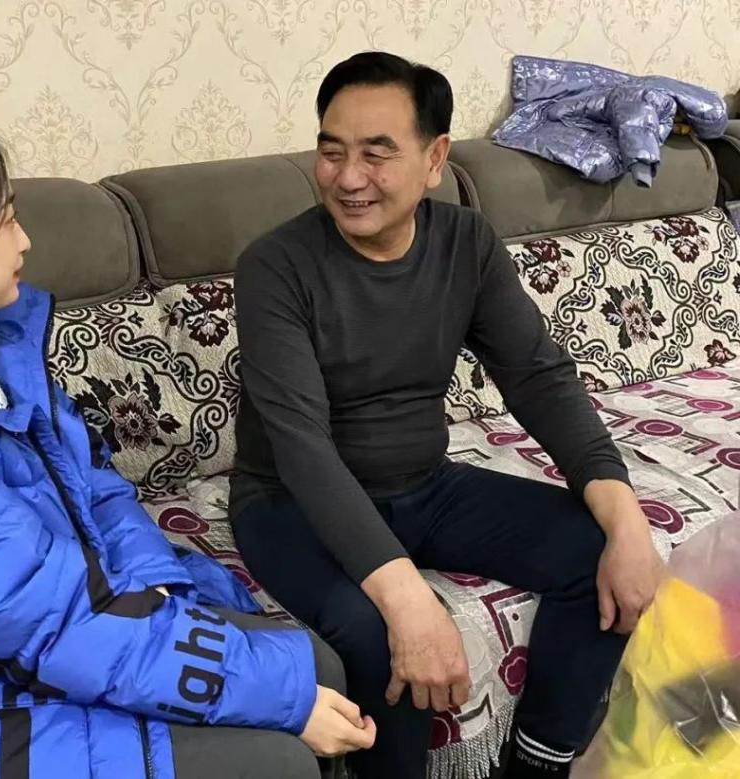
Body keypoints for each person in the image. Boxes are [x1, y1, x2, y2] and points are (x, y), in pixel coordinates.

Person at [0, 101, 376, 779]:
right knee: (278, 755)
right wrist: (281, 700)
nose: (25, 241)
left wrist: (157, 587)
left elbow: (95, 490)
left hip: (48, 627)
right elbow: (54, 625)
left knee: (319, 667)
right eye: (5, 219)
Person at [229, 52, 664, 779]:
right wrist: (408, 600)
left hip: (424, 485)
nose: (348, 177)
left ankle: (536, 764)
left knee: (597, 554)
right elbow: (301, 447)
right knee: (376, 634)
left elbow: (539, 378)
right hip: (290, 506)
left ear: (434, 160)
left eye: (376, 154)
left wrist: (625, 519)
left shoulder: (466, 243)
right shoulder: (275, 266)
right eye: (331, 152)